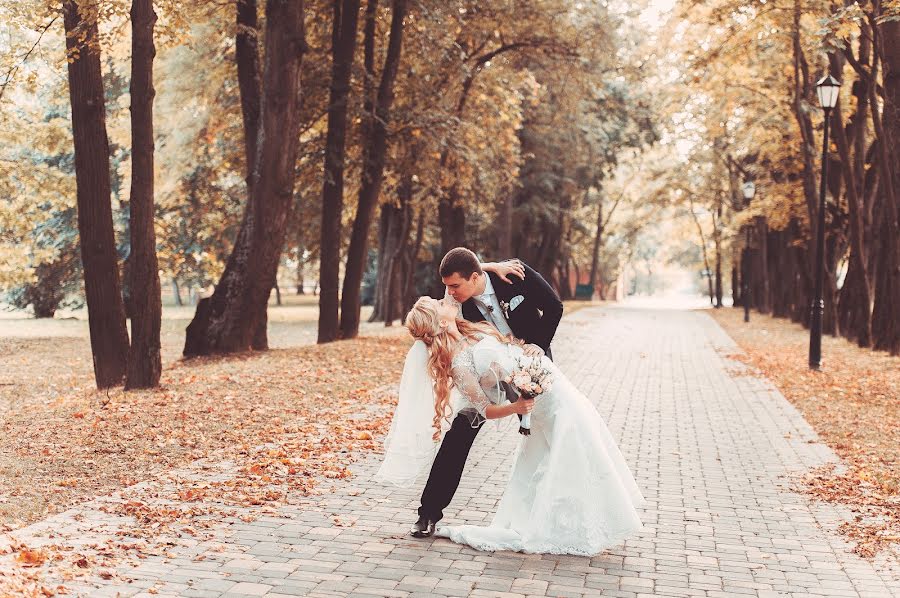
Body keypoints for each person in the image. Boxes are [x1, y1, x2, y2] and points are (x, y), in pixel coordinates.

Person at [377, 295, 643, 555]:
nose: (444, 298)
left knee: (572, 440)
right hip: (523, 394)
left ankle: (593, 513)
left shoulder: (466, 323)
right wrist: (515, 404)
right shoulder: (458, 361)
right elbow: (486, 406)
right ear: (441, 323)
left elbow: (469, 272)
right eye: (439, 303)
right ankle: (428, 514)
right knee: (566, 442)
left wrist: (493, 269)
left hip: (546, 380)